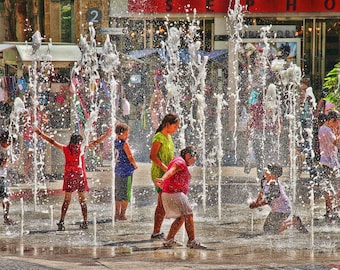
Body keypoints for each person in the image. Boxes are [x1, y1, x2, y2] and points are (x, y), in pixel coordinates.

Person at [35, 126, 112, 231]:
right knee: (82, 200)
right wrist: (106, 135)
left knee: (67, 200)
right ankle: (85, 222)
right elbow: (95, 143)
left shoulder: (66, 149)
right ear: (79, 141)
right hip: (80, 176)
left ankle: (61, 221)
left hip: (69, 176)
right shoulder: (81, 148)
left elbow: (52, 141)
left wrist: (40, 133)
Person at [155, 146, 207, 249]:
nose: (194, 161)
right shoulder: (180, 162)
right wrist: (163, 179)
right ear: (188, 155)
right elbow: (172, 170)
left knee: (182, 217)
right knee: (189, 214)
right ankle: (192, 241)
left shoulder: (178, 161)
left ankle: (169, 239)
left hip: (168, 193)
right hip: (175, 194)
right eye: (194, 158)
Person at [249, 163, 308, 234]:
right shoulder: (264, 180)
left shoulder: (274, 185)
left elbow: (268, 200)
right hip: (276, 209)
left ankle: (294, 222)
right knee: (267, 229)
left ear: (274, 175)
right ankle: (292, 221)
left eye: (268, 170)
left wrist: (257, 205)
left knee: (270, 231)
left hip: (283, 209)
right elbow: (261, 192)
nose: (265, 170)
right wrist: (256, 202)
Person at [150, 113, 180, 240]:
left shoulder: (168, 137)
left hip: (167, 173)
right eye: (175, 126)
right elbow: (152, 156)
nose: (176, 129)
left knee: (163, 203)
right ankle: (156, 232)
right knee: (161, 204)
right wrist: (165, 168)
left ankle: (157, 232)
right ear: (167, 125)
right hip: (159, 174)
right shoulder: (159, 137)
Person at [247, 88, 282, 179]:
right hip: (268, 134)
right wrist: (278, 131)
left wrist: (248, 132)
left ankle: (262, 176)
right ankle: (267, 176)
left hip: (259, 133)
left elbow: (250, 120)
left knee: (260, 157)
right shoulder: (272, 107)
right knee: (268, 155)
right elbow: (279, 121)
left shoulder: (255, 106)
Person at [317, 110, 340, 222]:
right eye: (336, 123)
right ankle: (332, 210)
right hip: (329, 163)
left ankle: (330, 211)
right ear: (331, 120)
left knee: (329, 187)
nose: (337, 125)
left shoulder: (323, 128)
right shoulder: (326, 129)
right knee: (333, 187)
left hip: (328, 162)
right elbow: (335, 142)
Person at [114, 122, 138, 221]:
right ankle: (123, 214)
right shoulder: (124, 144)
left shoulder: (115, 142)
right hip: (126, 171)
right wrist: (135, 165)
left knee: (118, 193)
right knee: (126, 194)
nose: (127, 136)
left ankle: (116, 214)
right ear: (120, 133)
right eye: (126, 134)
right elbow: (130, 156)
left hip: (118, 170)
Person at [0, 130, 14, 225]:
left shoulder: (8, 149)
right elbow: (1, 164)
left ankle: (6, 217)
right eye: (6, 142)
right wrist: (5, 161)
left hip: (2, 176)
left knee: (5, 200)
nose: (8, 144)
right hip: (0, 177)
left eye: (9, 142)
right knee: (6, 200)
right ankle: (6, 217)